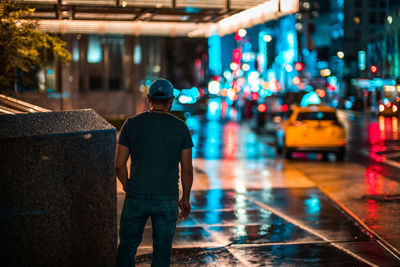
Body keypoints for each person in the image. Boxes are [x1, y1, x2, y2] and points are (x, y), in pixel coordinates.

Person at [115, 78, 194, 267]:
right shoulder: (180, 128)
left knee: (127, 247)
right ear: (171, 100)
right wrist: (186, 198)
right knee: (162, 251)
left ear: (149, 99)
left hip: (137, 195)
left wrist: (128, 185)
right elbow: (187, 169)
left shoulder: (131, 124)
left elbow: (119, 164)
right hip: (167, 197)